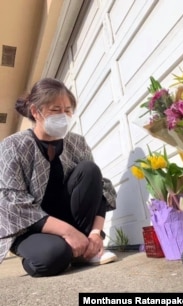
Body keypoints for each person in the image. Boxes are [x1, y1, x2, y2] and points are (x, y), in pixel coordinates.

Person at [0, 77, 118, 277]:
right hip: (28, 227)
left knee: (90, 170)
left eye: (67, 110)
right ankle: (65, 250)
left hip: (70, 220)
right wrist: (68, 233)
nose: (63, 116)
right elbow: (13, 204)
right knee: (53, 257)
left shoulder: (77, 143)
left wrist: (95, 234)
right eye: (56, 110)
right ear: (36, 112)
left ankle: (84, 249)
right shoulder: (12, 146)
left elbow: (100, 189)